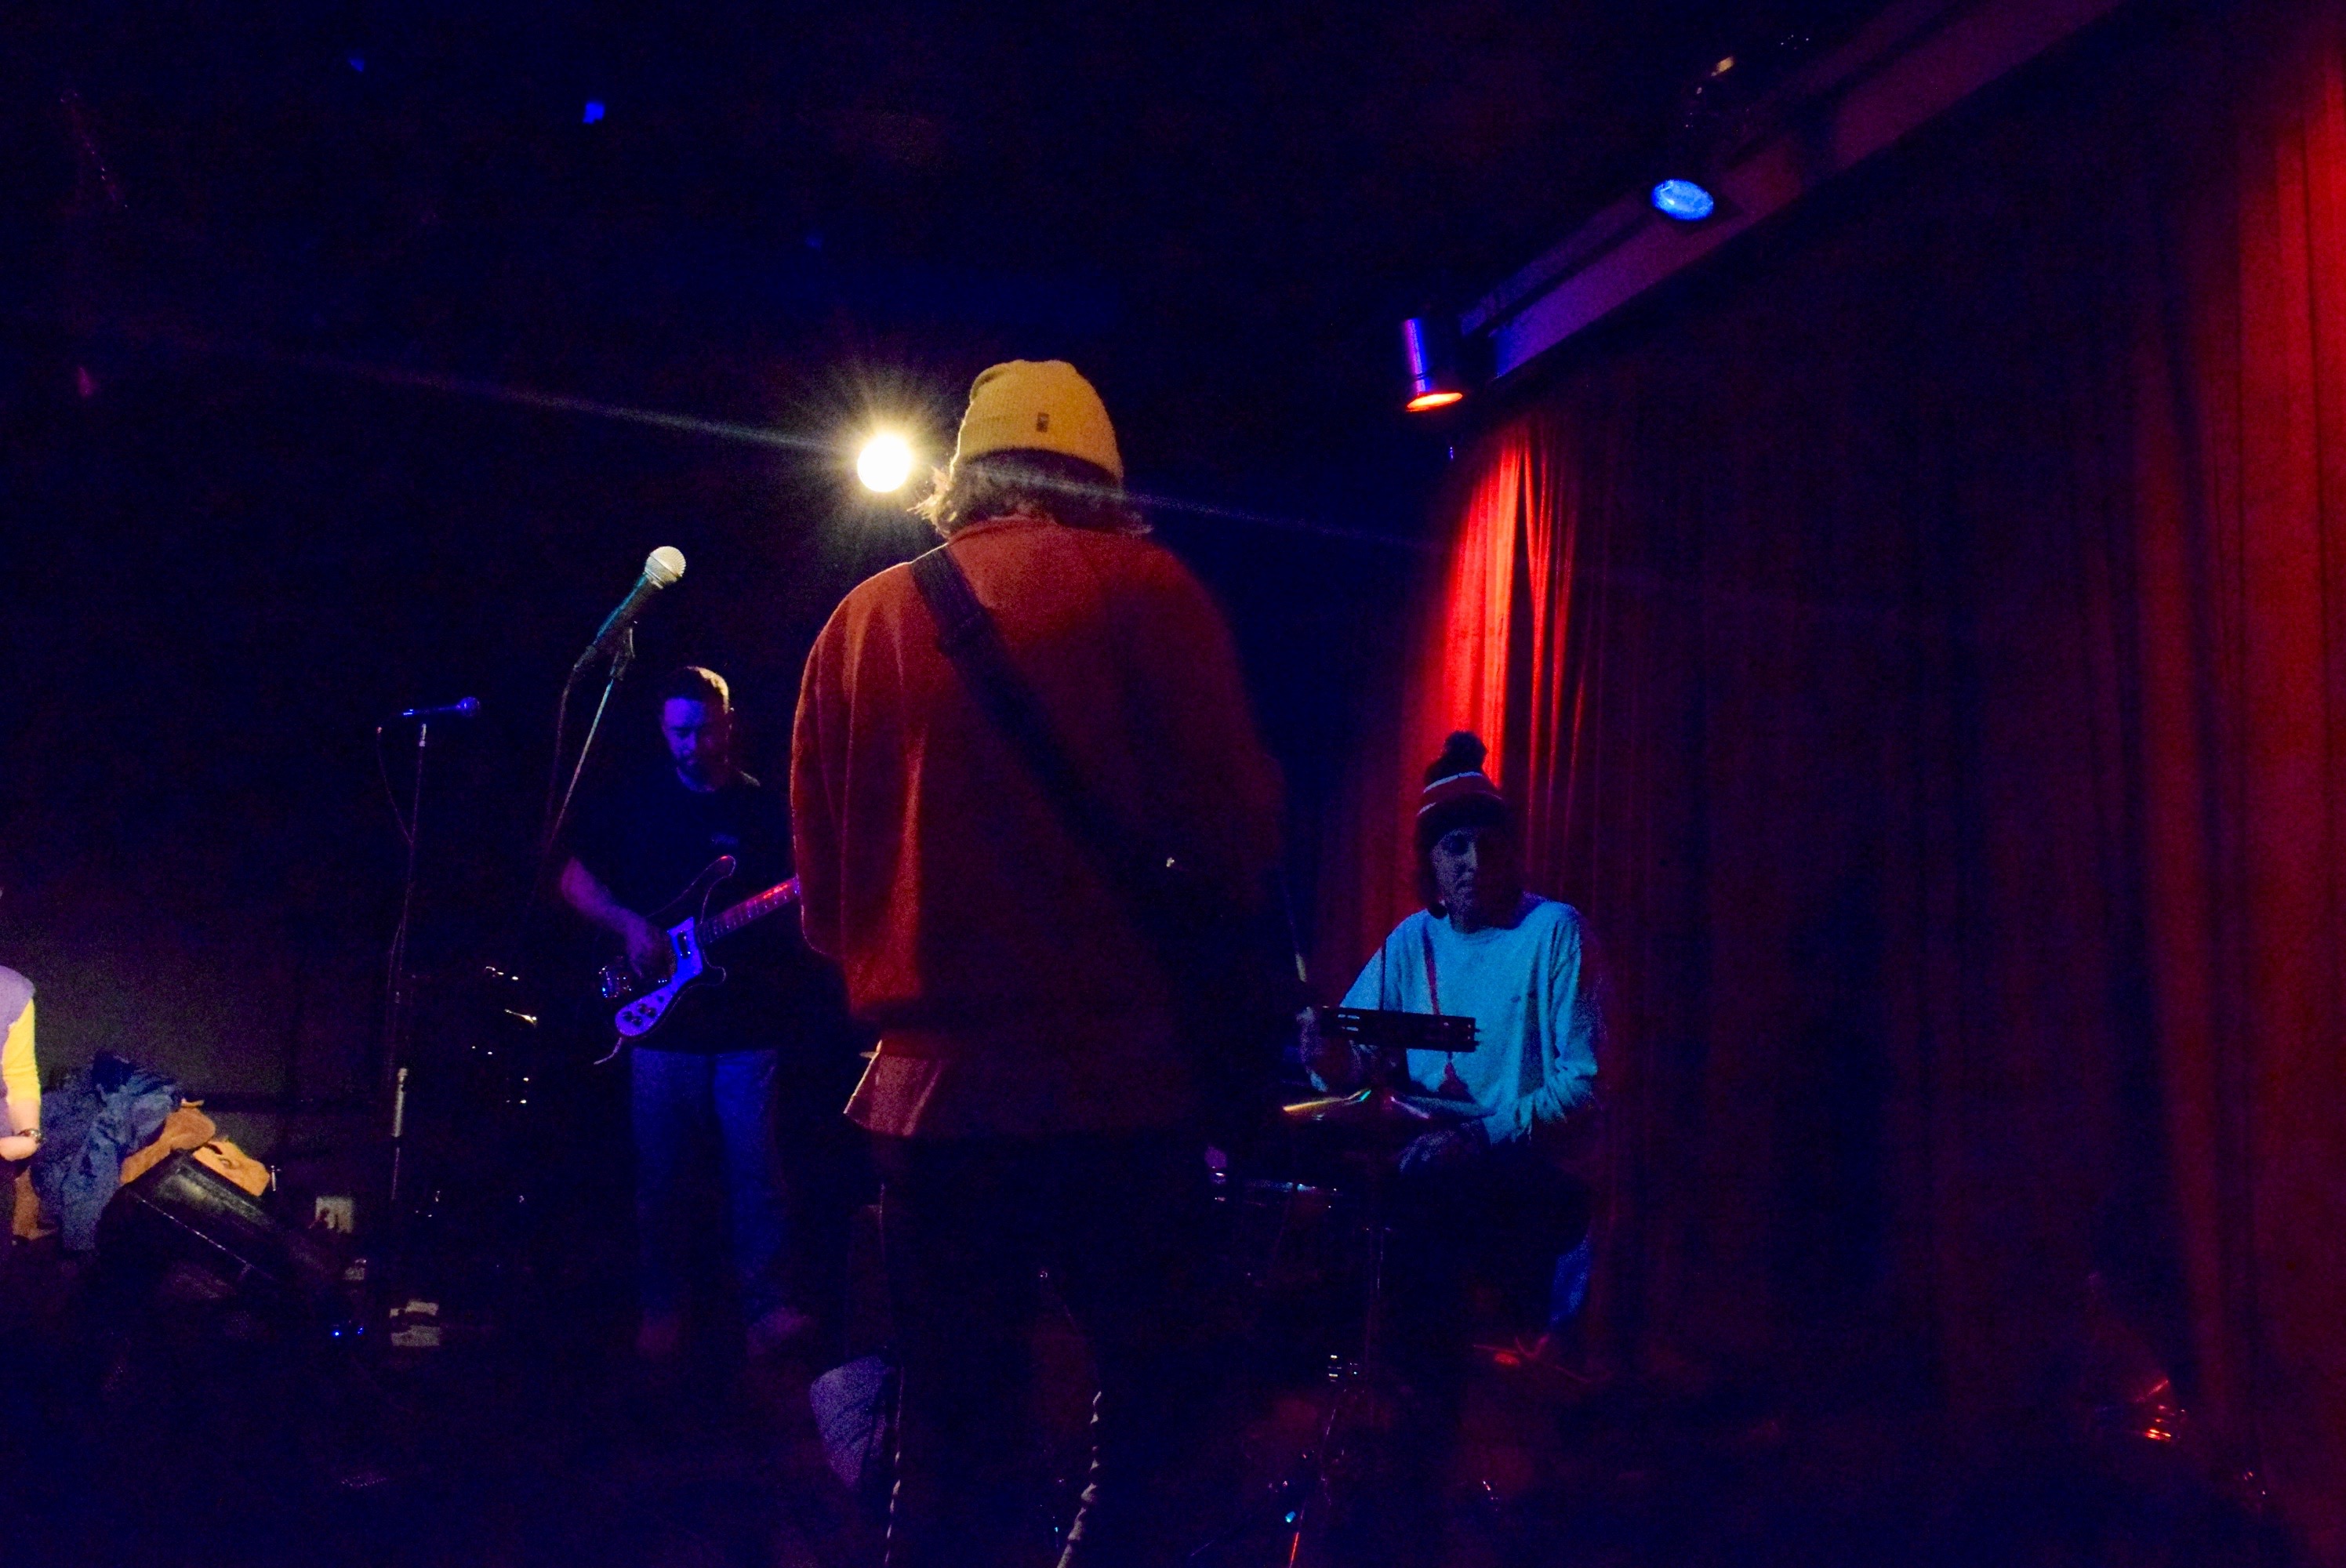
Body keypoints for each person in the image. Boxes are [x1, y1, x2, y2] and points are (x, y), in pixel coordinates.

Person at [793, 360, 1283, 1568]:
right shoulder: (1149, 590)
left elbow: (826, 912)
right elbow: (1239, 840)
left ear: (964, 477)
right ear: (1102, 480)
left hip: (929, 1101)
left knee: (950, 1435)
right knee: (1166, 1412)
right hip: (1119, 1085)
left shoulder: (859, 623)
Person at [560, 665, 847, 1361]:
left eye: (705, 731)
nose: (692, 745)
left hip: (749, 1025)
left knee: (758, 1176)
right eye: (680, 732)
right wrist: (630, 925)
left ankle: (767, 1312)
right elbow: (571, 877)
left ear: (729, 723)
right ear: (664, 729)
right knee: (662, 1180)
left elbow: (801, 896)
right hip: (662, 1029)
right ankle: (663, 1311)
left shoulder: (761, 808)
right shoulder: (637, 802)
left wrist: (804, 900)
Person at [1309, 729, 1603, 1381]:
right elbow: (1359, 1061)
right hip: (1437, 1158)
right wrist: (1328, 1057)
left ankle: (1427, 1404)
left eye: (1489, 844)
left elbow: (1585, 1086)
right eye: (1456, 847)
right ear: (1432, 866)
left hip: (1530, 1167)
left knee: (1425, 1215)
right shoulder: (1412, 939)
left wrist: (1475, 1138)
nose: (1475, 861)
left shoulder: (1555, 931)